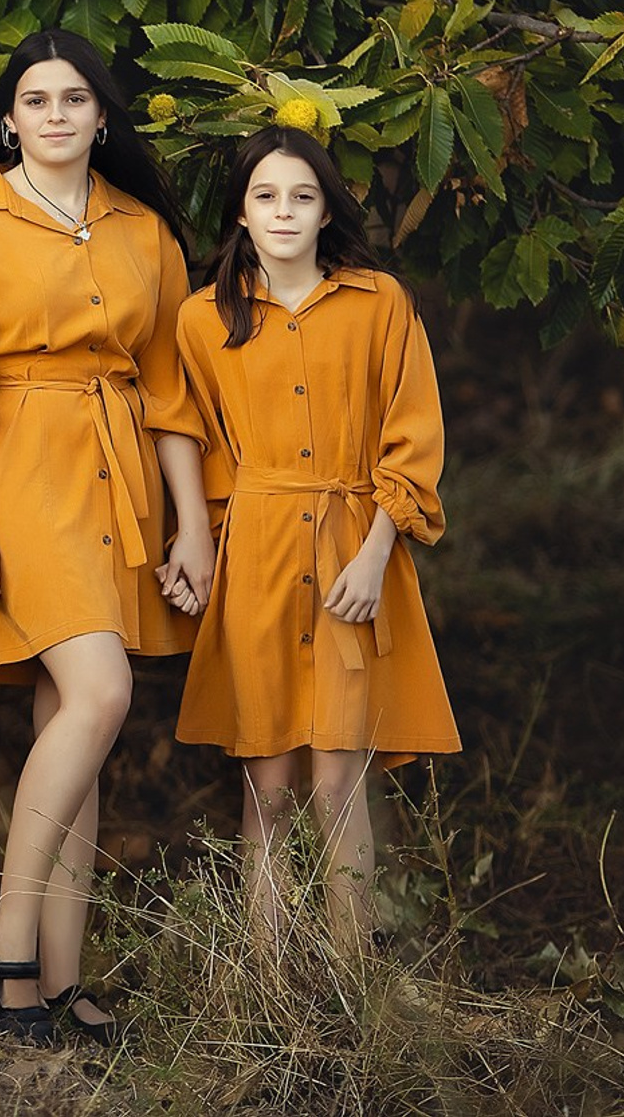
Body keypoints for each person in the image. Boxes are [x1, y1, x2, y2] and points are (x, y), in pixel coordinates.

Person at [0, 29, 213, 1047]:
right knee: (100, 694)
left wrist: (193, 525)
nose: (53, 115)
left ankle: (58, 978)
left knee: (72, 732)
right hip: (14, 472)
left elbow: (169, 392)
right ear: (8, 119)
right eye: (34, 100)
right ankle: (3, 939)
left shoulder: (145, 232)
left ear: (100, 116)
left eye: (73, 98)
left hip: (116, 476)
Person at [174, 126, 458, 948]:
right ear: (240, 212)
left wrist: (375, 555)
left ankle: (350, 979)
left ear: (328, 207)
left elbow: (413, 439)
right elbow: (191, 438)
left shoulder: (379, 304)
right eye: (265, 196)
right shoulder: (203, 320)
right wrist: (200, 540)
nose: (285, 211)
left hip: (350, 551)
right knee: (264, 785)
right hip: (258, 555)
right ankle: (267, 988)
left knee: (339, 779)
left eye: (302, 195)